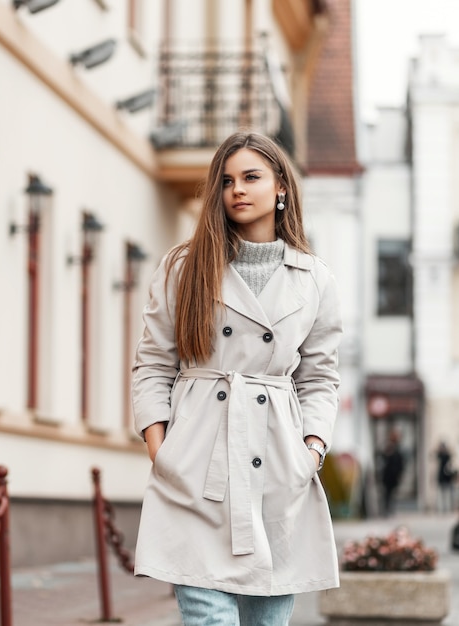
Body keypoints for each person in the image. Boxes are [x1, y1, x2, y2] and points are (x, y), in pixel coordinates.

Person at [132, 132, 343, 625]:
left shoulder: (314, 279)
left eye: (251, 177)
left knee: (268, 619)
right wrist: (161, 449)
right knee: (208, 617)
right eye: (226, 181)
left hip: (276, 465)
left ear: (281, 188)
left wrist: (311, 449)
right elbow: (153, 364)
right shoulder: (184, 267)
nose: (237, 190)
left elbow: (320, 376)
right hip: (198, 461)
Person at [380, 430, 404, 517]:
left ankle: (390, 509)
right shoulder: (388, 448)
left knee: (391, 494)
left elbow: (400, 463)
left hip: (393, 476)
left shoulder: (397, 449)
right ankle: (386, 509)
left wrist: (399, 473)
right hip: (388, 476)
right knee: (387, 494)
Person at [436, 441, 456, 513]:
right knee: (442, 494)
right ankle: (442, 509)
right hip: (443, 478)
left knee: (447, 494)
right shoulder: (441, 456)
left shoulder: (446, 456)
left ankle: (447, 509)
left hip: (447, 478)